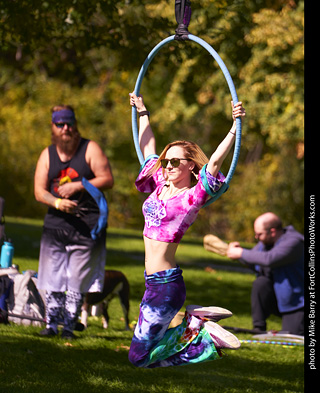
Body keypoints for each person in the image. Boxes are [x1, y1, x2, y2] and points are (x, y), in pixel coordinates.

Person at [128, 92, 245, 368]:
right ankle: (194, 323)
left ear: (190, 165)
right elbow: (148, 148)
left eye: (175, 162)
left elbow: (215, 162)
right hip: (153, 282)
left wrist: (234, 127)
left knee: (139, 358)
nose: (168, 166)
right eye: (167, 161)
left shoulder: (193, 196)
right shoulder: (159, 183)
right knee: (146, 352)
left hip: (166, 285)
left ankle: (202, 333)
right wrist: (142, 112)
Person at [34, 105, 114, 339]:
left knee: (77, 278)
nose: (66, 128)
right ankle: (51, 325)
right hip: (55, 225)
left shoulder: (90, 149)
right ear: (53, 127)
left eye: (69, 123)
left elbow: (107, 179)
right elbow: (39, 191)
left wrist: (80, 184)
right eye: (60, 124)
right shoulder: (47, 154)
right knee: (52, 275)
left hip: (87, 224)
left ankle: (69, 327)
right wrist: (57, 203)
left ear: (75, 124)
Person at [227, 212, 304, 335]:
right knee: (260, 283)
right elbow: (254, 261)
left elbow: (269, 259)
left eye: (259, 234)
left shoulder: (294, 242)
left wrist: (241, 253)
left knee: (293, 335)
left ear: (272, 231)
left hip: (298, 302)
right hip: (279, 297)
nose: (256, 237)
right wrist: (235, 252)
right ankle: (258, 327)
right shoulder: (266, 243)